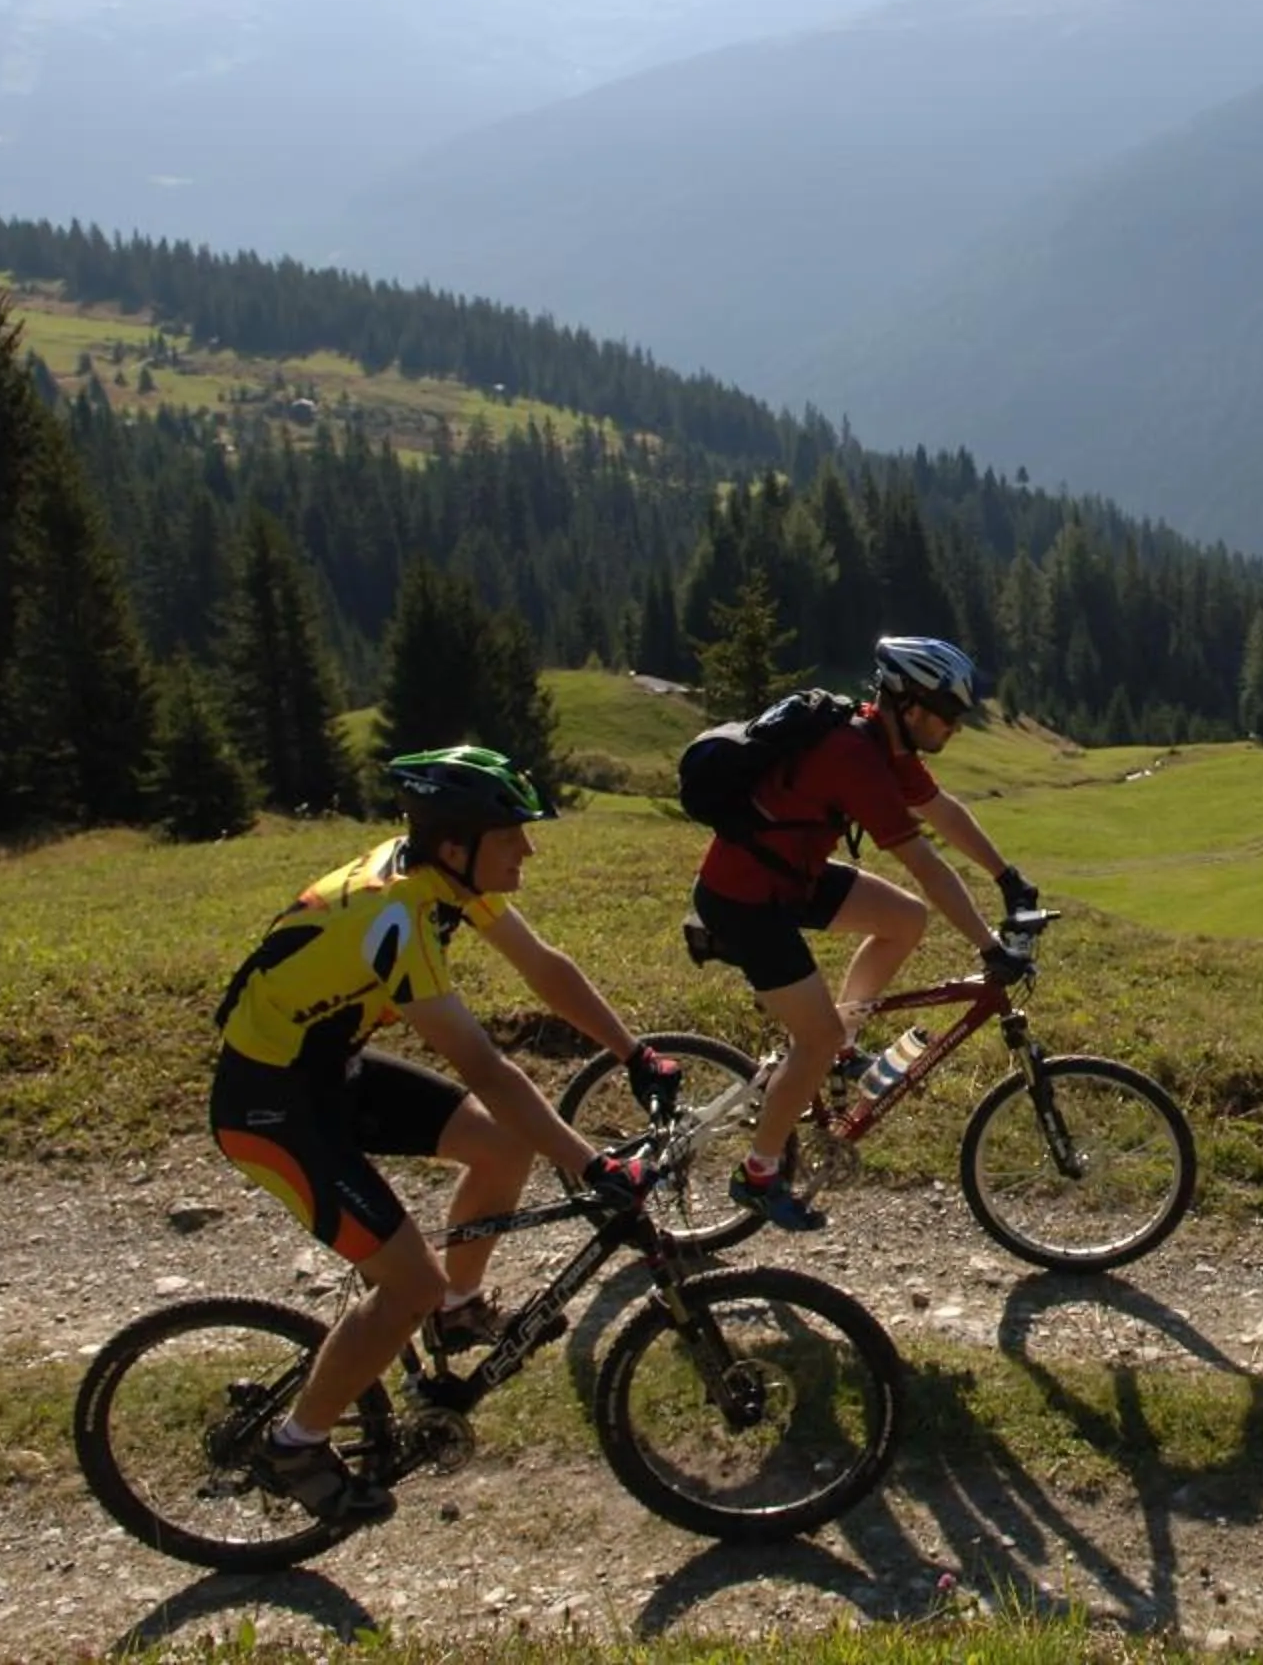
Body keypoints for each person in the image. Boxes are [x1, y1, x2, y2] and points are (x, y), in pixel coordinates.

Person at [208, 744, 682, 1525]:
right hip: (271, 1107)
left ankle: (455, 1310)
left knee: (502, 1144)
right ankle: (295, 1442)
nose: (527, 849)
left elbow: (543, 966)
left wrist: (633, 1051)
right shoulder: (396, 914)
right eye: (512, 838)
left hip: (332, 1069)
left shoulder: (440, 876)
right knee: (406, 1279)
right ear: (459, 844)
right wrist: (593, 1164)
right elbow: (487, 1067)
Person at [689, 635, 1039, 1231]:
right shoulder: (853, 757)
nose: (956, 727)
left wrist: (1009, 877)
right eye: (949, 714)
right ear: (909, 705)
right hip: (744, 899)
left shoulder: (883, 744)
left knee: (904, 920)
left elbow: (944, 810)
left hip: (790, 876)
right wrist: (987, 947)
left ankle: (841, 1048)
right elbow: (925, 862)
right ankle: (758, 1173)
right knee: (814, 1035)